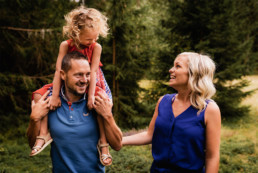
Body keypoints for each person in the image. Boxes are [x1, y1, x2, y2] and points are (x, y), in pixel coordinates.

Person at [29, 6, 113, 166]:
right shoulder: (66, 45)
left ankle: (103, 144)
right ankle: (44, 133)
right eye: (89, 39)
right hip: (70, 78)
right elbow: (58, 70)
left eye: (95, 38)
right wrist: (54, 96)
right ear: (76, 33)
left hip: (92, 80)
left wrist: (90, 97)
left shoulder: (96, 47)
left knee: (100, 102)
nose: (92, 42)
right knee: (39, 95)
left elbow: (94, 72)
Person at [122, 52, 221, 173]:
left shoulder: (209, 109)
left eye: (177, 66)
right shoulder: (163, 101)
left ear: (194, 73)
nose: (171, 70)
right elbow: (150, 135)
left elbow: (212, 156)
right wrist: (120, 141)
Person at [27, 51, 122, 172]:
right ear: (63, 74)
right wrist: (33, 119)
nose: (84, 80)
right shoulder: (51, 102)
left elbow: (117, 145)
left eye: (88, 74)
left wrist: (108, 116)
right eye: (78, 75)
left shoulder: (96, 101)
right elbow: (32, 144)